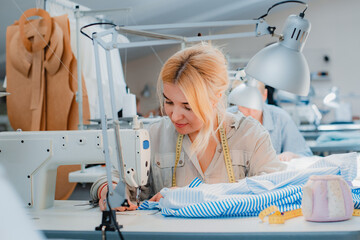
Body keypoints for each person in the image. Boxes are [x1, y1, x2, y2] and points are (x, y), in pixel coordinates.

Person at [98, 43, 286, 211]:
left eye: (188, 106)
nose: (174, 115)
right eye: (168, 102)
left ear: (216, 98)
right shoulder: (154, 135)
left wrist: (194, 196)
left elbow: (275, 190)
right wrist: (110, 190)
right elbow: (113, 177)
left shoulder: (250, 135)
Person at [228, 81, 313, 161]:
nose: (250, 112)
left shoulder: (280, 118)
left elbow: (307, 156)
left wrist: (293, 156)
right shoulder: (224, 119)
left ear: (264, 95)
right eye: (243, 105)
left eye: (255, 104)